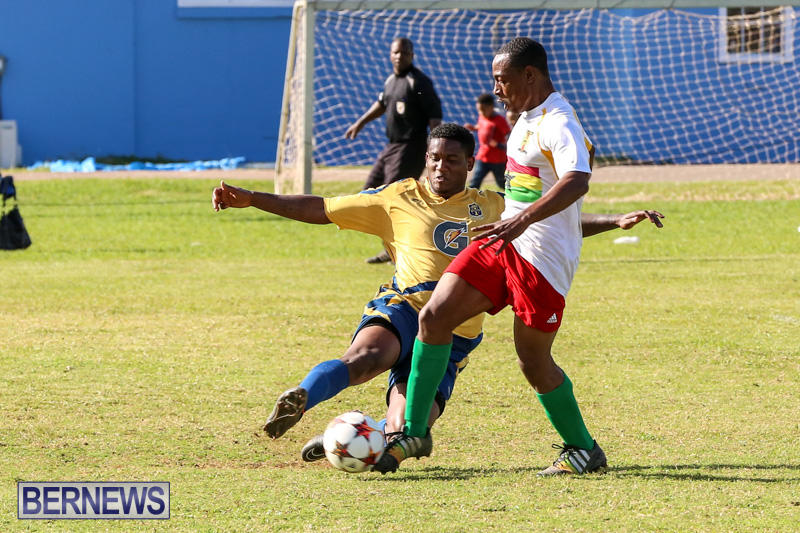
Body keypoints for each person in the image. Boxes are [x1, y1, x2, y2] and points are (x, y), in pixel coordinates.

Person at [212, 123, 663, 466]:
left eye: (451, 159)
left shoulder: (492, 205)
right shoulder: (396, 197)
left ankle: (362, 438)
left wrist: (613, 220)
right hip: (404, 307)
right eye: (433, 158)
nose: (440, 167)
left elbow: (550, 224)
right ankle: (302, 397)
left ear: (470, 164)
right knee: (367, 358)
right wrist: (252, 198)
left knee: (406, 430)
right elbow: (321, 208)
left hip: (456, 335)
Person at [374, 37, 657, 476]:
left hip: (542, 261)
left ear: (530, 75)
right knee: (434, 316)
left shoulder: (559, 121)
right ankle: (412, 432)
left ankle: (584, 449)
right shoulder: (527, 116)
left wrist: (522, 221)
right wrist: (514, 224)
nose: (496, 88)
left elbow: (577, 180)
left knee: (533, 361)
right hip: (502, 243)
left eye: (502, 80)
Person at [344, 37, 443, 264]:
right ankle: (391, 248)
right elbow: (382, 104)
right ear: (390, 54)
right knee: (370, 192)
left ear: (412, 55)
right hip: (392, 146)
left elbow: (435, 117)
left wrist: (435, 152)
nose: (400, 56)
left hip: (411, 147)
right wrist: (360, 123)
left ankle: (405, 250)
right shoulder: (391, 81)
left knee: (393, 197)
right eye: (396, 52)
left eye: (405, 52)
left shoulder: (419, 82)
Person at [464, 93, 511, 190]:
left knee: (501, 183)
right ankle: (469, 198)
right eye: (479, 110)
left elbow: (509, 135)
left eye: (483, 110)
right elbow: (481, 126)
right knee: (475, 182)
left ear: (491, 107)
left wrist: (498, 145)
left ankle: (513, 196)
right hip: (483, 157)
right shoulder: (482, 117)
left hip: (498, 160)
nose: (481, 112)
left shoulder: (499, 120)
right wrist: (474, 128)